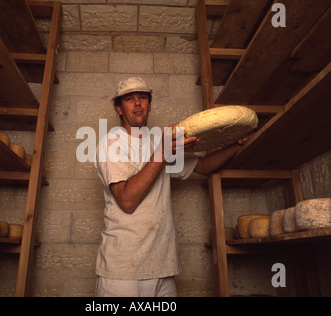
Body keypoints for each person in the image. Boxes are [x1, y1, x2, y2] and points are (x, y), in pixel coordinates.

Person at [94, 77, 252, 297]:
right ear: (119, 109)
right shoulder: (111, 143)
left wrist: (236, 144)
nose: (137, 103)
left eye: (143, 98)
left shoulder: (158, 142)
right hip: (122, 270)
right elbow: (127, 201)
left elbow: (203, 166)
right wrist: (162, 154)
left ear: (149, 105)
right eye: (129, 99)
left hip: (162, 265)